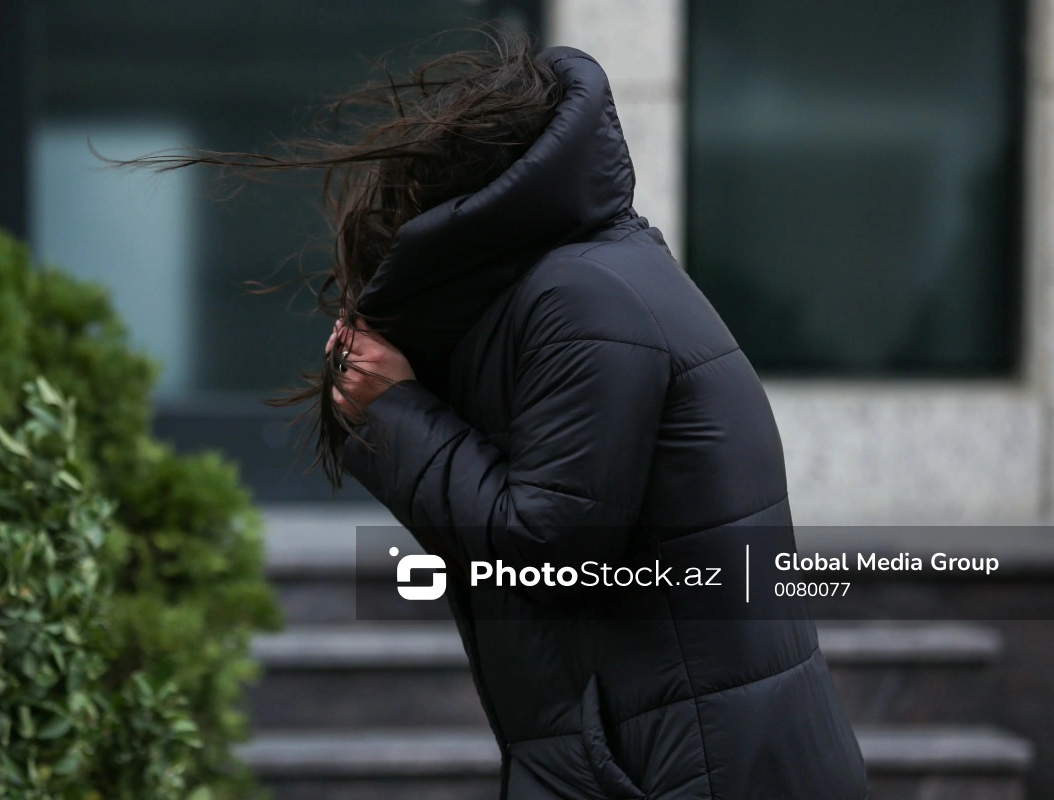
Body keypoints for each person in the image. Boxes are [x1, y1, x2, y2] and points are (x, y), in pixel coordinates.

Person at [128, 31, 868, 800]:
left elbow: (548, 551)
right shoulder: (597, 272)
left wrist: (398, 412)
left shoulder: (583, 296)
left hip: (690, 768)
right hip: (686, 753)